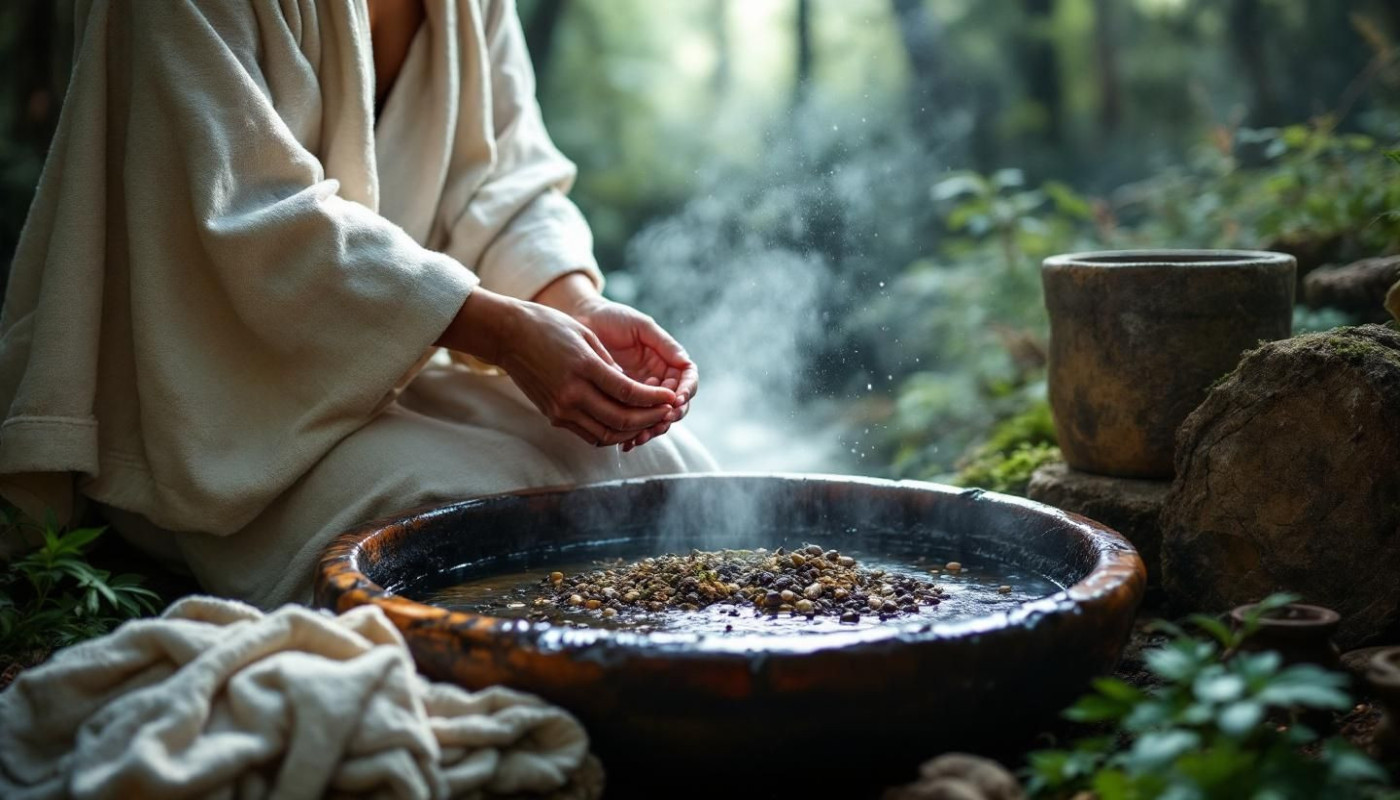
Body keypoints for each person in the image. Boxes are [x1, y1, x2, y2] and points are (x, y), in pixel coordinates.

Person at [0, 0, 716, 608]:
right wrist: (500, 331)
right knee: (476, 524)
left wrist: (571, 305)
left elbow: (506, 180)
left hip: (393, 367)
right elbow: (247, 215)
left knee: (667, 483)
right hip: (224, 408)